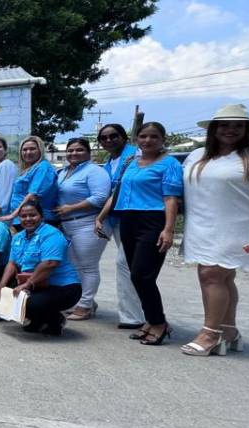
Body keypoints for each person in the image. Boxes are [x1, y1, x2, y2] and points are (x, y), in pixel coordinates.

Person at [180, 104, 249, 357]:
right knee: (222, 277)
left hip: (237, 226)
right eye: (225, 125)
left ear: (247, 129)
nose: (231, 130)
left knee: (211, 276)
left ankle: (210, 334)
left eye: (238, 125)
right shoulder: (197, 156)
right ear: (214, 129)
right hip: (202, 226)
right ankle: (228, 331)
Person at [95, 122, 183, 346]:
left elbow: (171, 197)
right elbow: (117, 193)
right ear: (137, 140)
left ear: (163, 139)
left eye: (154, 136)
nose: (148, 141)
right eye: (143, 136)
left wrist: (168, 229)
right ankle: (151, 321)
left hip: (152, 220)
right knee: (135, 272)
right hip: (128, 219)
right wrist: (102, 217)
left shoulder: (169, 164)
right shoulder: (131, 163)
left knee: (142, 275)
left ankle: (159, 322)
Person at [0, 201, 82, 335]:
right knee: (7, 294)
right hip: (37, 285)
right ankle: (38, 320)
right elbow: (12, 263)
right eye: (24, 216)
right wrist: (2, 285)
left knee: (29, 302)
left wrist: (27, 285)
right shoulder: (18, 237)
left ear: (41, 216)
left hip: (63, 287)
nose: (28, 219)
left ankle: (55, 320)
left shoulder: (51, 234)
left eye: (32, 215)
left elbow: (50, 263)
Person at [54, 137, 112, 320]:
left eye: (79, 150)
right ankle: (86, 301)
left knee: (88, 267)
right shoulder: (63, 172)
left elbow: (101, 197)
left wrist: (71, 208)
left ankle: (85, 306)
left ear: (89, 152)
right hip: (68, 224)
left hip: (89, 223)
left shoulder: (95, 171)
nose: (73, 153)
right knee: (75, 265)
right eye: (70, 150)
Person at [97, 123, 143, 329]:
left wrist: (100, 217)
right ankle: (134, 314)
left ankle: (133, 316)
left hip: (133, 216)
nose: (108, 140)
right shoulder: (110, 161)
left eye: (113, 136)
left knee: (126, 264)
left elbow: (119, 190)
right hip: (114, 218)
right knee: (128, 265)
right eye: (104, 138)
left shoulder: (133, 156)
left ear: (123, 137)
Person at [0, 136, 58, 226]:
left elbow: (32, 196)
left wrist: (12, 215)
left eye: (32, 149)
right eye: (25, 149)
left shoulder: (43, 167)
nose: (28, 152)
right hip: (22, 219)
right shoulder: (29, 169)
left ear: (40, 150)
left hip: (36, 220)